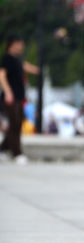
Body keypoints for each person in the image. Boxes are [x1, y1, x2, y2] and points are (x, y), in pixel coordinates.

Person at [0, 35, 39, 164]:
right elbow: (2, 75)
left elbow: (25, 66)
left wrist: (37, 70)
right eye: (19, 44)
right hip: (11, 97)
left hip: (19, 97)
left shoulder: (17, 59)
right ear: (12, 44)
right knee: (15, 124)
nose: (21, 46)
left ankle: (3, 149)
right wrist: (8, 92)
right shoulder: (7, 59)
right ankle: (17, 153)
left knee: (16, 123)